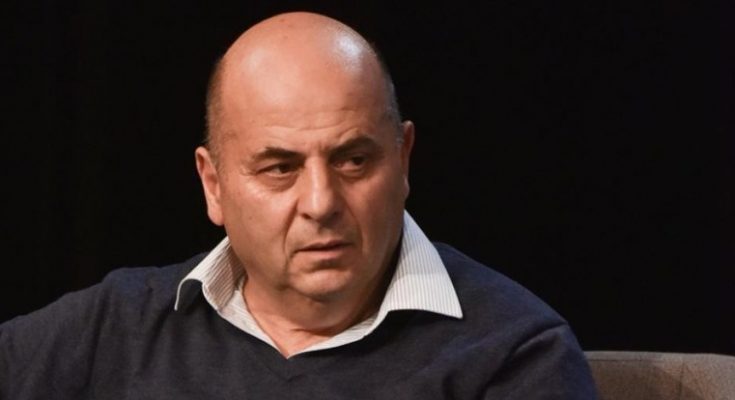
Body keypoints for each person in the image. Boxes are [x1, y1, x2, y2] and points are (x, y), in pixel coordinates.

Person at [0, 11, 598, 399]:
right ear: (213, 185)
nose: (321, 202)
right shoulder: (115, 328)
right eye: (280, 168)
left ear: (403, 160)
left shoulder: (514, 355)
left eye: (353, 160)